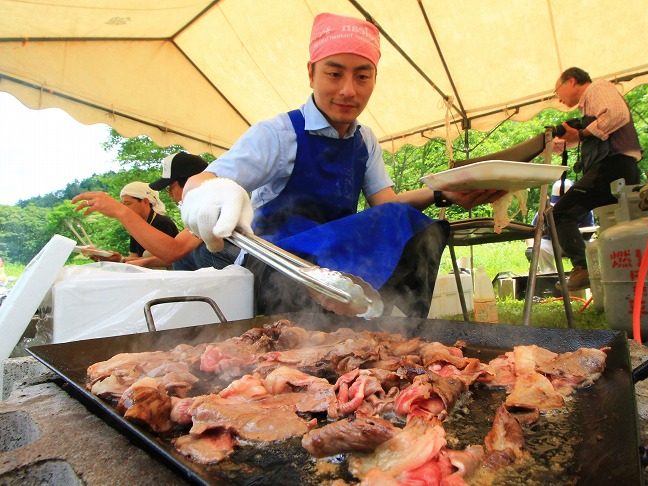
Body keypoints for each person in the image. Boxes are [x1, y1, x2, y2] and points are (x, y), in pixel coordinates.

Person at [179, 13, 505, 318]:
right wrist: (208, 196)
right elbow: (200, 184)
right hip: (280, 269)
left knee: (413, 225)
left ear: (375, 78)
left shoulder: (364, 140)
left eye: (362, 76)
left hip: (340, 266)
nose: (348, 91)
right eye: (334, 74)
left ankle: (400, 327)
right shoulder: (276, 135)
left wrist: (441, 193)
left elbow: (387, 206)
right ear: (311, 73)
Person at [551, 67, 643, 290]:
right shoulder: (590, 110)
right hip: (619, 166)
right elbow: (575, 141)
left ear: (571, 81)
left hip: (613, 165)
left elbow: (617, 115)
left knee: (560, 213)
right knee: (617, 230)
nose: (558, 99)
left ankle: (582, 268)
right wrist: (560, 138)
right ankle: (625, 284)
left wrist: (581, 133)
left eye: (557, 91)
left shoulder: (597, 88)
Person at [72, 152, 243, 270]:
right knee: (187, 254)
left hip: (256, 275)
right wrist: (123, 261)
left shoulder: (214, 206)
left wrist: (120, 211)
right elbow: (175, 253)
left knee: (203, 250)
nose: (169, 195)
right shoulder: (200, 213)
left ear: (191, 182)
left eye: (171, 187)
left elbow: (172, 251)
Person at [89, 181, 179, 268]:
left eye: (128, 203)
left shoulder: (163, 223)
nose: (125, 208)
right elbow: (135, 257)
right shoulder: (135, 226)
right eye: (123, 204)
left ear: (145, 202)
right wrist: (119, 259)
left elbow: (174, 257)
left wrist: (141, 262)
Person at [525, 179, 594, 274]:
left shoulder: (584, 210)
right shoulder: (546, 211)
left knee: (594, 247)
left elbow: (589, 233)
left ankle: (588, 273)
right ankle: (549, 275)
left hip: (578, 244)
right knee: (541, 247)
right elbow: (532, 232)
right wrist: (530, 247)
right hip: (553, 244)